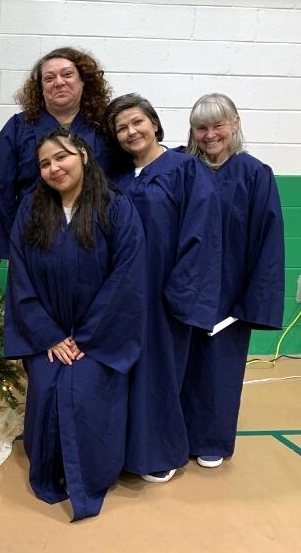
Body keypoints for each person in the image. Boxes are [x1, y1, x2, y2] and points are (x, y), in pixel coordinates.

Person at [4, 128, 146, 521]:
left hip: (100, 338)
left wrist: (86, 338)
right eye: (45, 163)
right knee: (48, 386)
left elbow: (126, 277)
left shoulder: (115, 207)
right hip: (47, 335)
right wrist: (49, 336)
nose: (54, 168)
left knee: (83, 390)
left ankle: (91, 473)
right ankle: (50, 471)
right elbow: (21, 279)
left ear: (82, 155)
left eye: (61, 157)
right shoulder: (32, 210)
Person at [104, 94, 222, 483]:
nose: (130, 131)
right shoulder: (117, 178)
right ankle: (118, 451)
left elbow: (200, 235)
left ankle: (158, 454)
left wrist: (180, 293)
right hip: (120, 295)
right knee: (121, 373)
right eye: (121, 127)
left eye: (137, 122)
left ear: (154, 123)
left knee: (159, 375)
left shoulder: (186, 170)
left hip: (162, 295)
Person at [181, 93, 284, 469]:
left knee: (218, 368)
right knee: (180, 366)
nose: (210, 135)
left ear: (235, 124)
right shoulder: (181, 168)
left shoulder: (255, 174)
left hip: (229, 293)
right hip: (182, 290)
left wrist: (249, 303)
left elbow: (267, 243)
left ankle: (210, 438)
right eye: (202, 127)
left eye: (218, 125)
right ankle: (172, 439)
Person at [0, 47, 112, 259]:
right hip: (36, 239)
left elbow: (121, 179)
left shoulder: (104, 127)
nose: (59, 82)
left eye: (67, 74)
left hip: (95, 239)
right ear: (40, 89)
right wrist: (16, 236)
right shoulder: (19, 128)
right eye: (49, 78)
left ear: (83, 80)